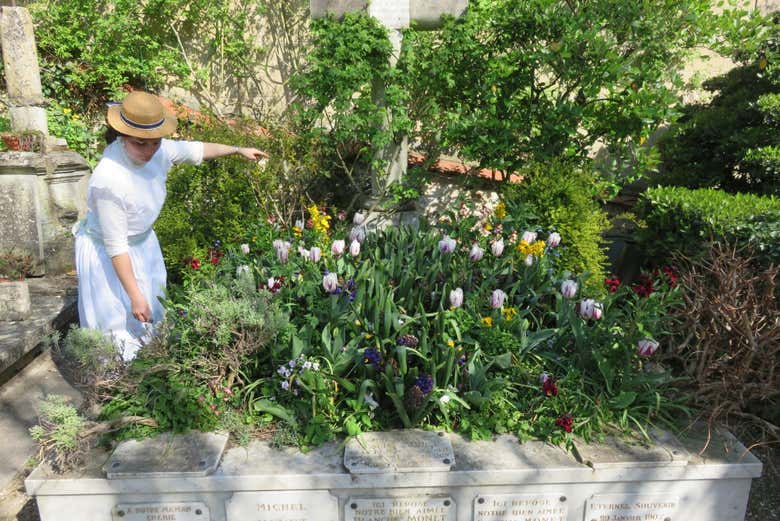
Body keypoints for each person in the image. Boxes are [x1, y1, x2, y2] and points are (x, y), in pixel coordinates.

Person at [74, 90, 267, 361]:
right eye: (140, 144)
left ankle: (150, 370)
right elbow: (115, 246)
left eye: (155, 143)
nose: (150, 151)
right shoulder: (110, 179)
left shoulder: (157, 150)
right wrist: (134, 294)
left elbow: (197, 149)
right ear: (123, 136)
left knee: (152, 316)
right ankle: (116, 385)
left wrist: (237, 150)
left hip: (142, 244)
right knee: (117, 324)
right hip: (109, 255)